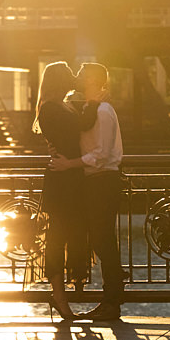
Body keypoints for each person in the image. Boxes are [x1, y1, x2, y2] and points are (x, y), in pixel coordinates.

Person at [50, 62, 124, 322]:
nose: (77, 77)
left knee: (103, 242)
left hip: (102, 181)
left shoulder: (103, 111)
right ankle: (111, 300)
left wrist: (69, 164)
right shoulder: (95, 109)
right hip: (96, 182)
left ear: (91, 79)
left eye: (81, 74)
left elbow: (102, 154)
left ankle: (112, 302)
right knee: (102, 242)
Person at [32, 60, 99, 321]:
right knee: (58, 237)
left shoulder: (61, 106)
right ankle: (59, 296)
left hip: (71, 175)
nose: (73, 77)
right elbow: (81, 127)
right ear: (58, 80)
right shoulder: (50, 108)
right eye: (69, 74)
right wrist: (93, 101)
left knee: (70, 233)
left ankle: (66, 292)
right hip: (63, 178)